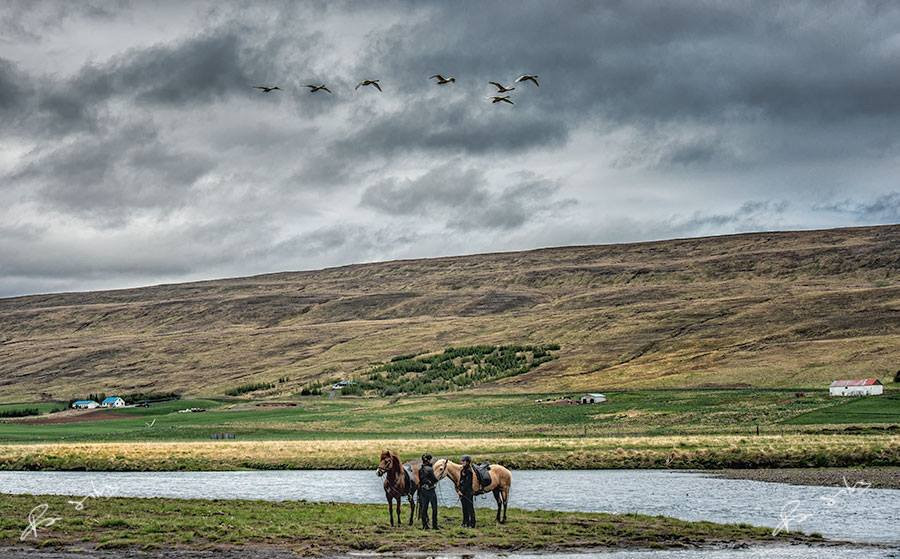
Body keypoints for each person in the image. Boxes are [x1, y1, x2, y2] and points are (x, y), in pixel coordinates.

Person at [418, 453, 439, 529]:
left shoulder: (420, 469)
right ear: (428, 460)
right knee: (434, 508)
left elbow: (421, 480)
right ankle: (434, 525)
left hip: (423, 491)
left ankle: (425, 525)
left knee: (424, 508)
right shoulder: (430, 469)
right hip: (431, 490)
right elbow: (434, 479)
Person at [457, 455, 476, 528]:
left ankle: (472, 523)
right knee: (464, 508)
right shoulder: (462, 470)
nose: (462, 462)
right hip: (462, 492)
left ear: (467, 462)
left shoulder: (469, 471)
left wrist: (462, 491)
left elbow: (467, 483)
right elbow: (461, 481)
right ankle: (465, 522)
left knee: (470, 508)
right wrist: (459, 490)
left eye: (463, 461)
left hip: (468, 492)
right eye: (462, 461)